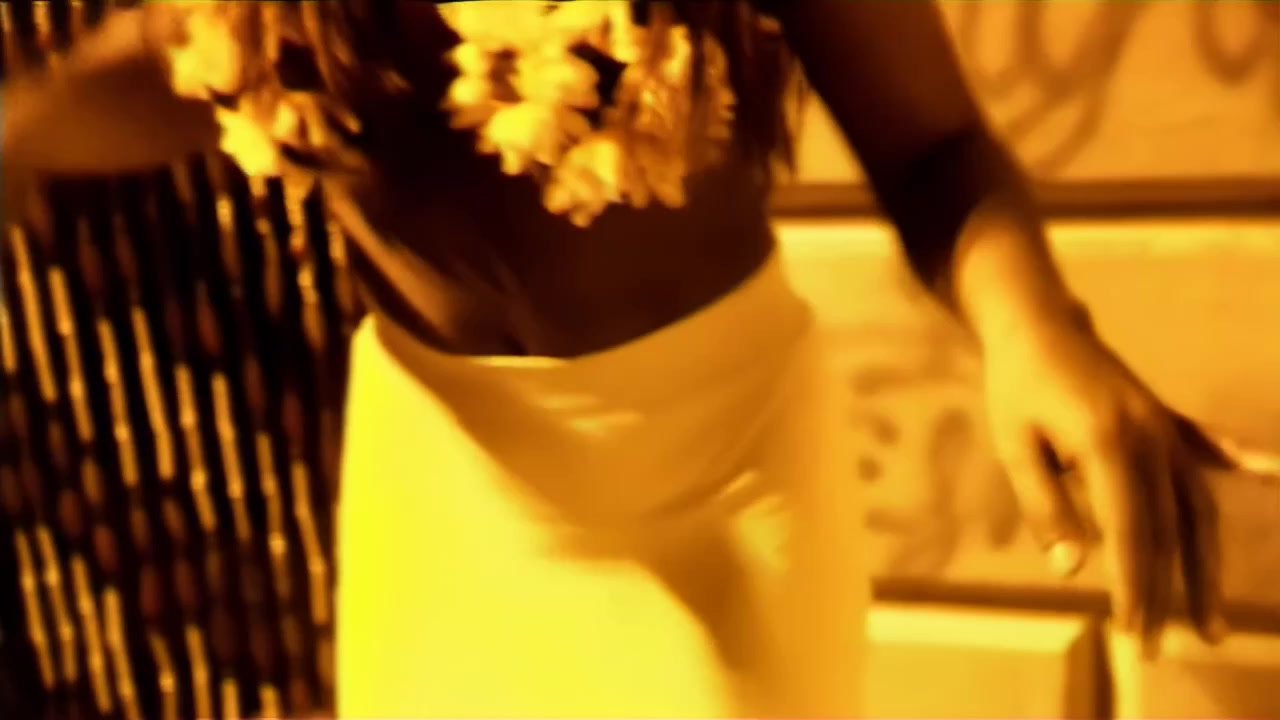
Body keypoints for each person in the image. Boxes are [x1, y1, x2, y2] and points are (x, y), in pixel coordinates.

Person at [1, 1, 1234, 716]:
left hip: (716, 474)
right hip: (445, 481)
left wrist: (1034, 331)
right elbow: (184, 55)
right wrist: (18, 139)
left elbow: (935, 150)